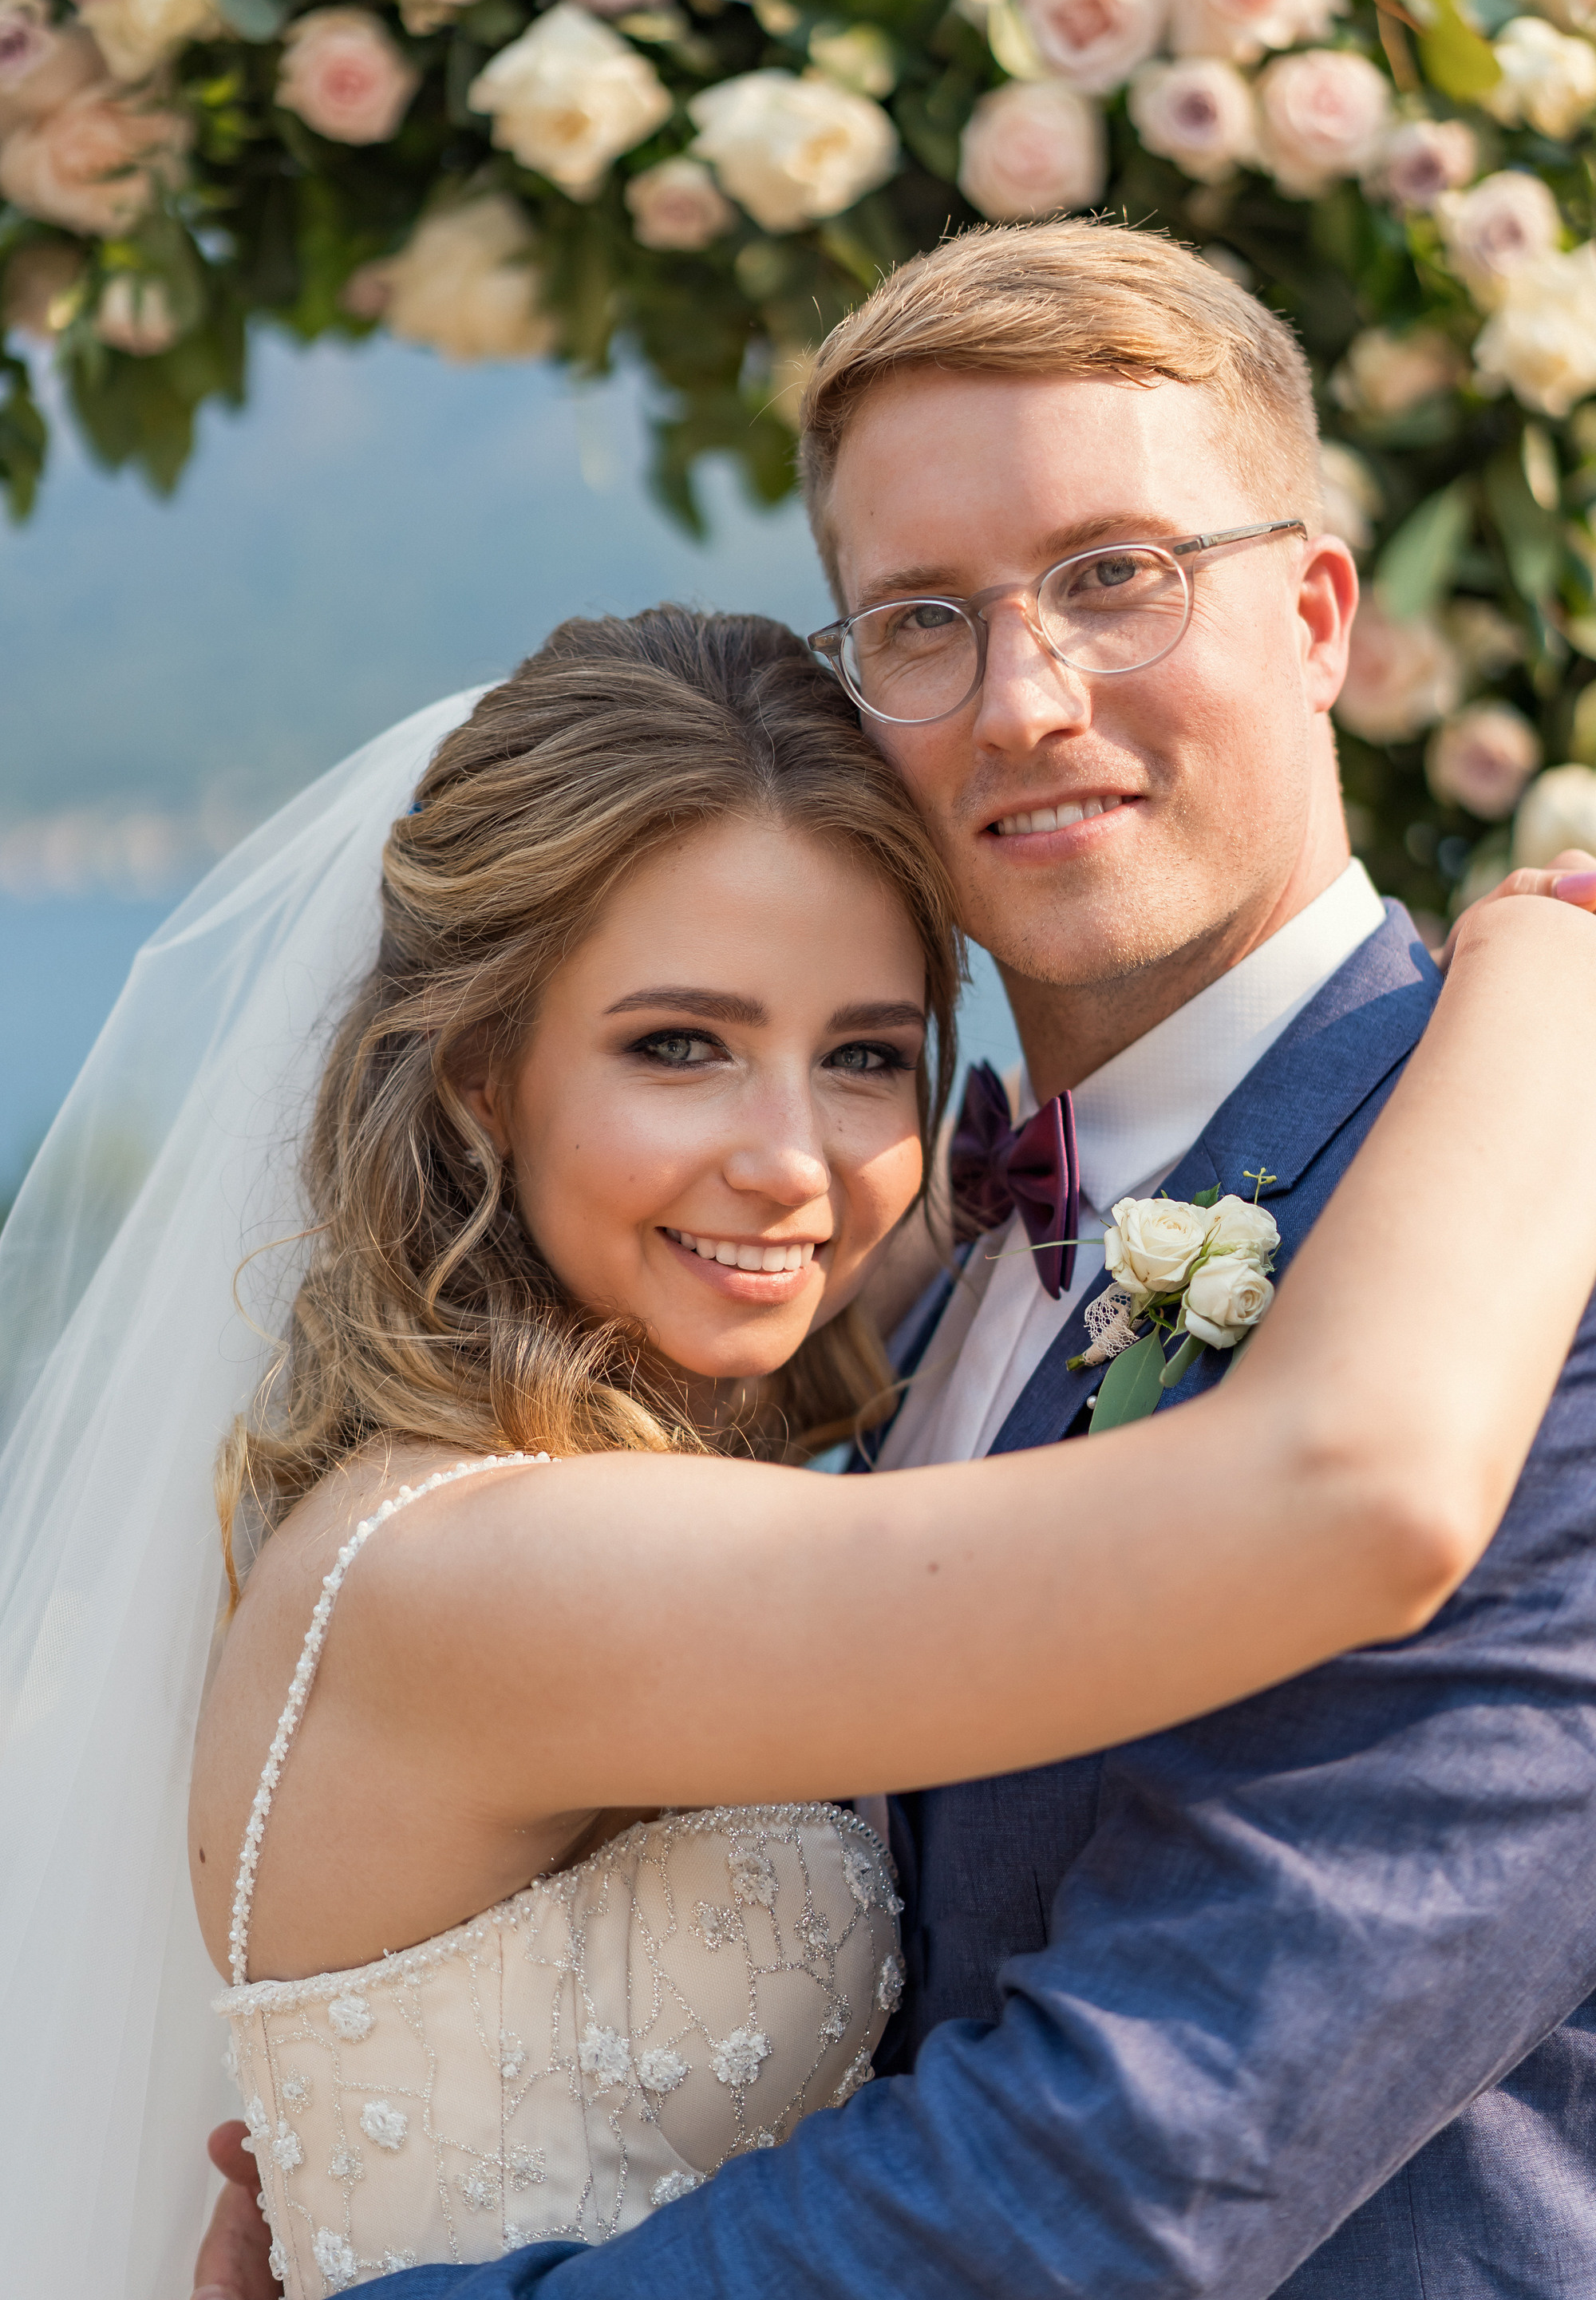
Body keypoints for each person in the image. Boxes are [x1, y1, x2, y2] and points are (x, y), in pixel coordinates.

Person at [184, 218, 1596, 2300]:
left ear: (1318, 617)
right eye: (920, 622)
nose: (1026, 700)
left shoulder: (1508, 1232)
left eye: (1118, 574)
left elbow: (1143, 2159)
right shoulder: (909, 1264)